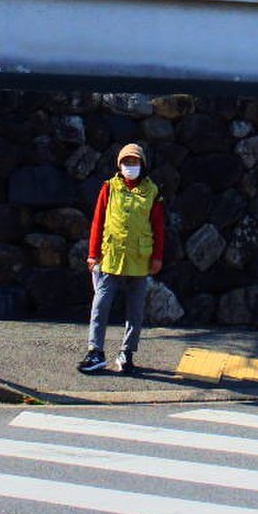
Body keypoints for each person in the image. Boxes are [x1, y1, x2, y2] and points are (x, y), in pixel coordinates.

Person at [79, 142, 165, 375]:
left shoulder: (152, 191)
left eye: (134, 161)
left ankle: (127, 352)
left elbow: (158, 226)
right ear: (119, 164)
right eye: (126, 162)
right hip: (111, 256)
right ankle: (95, 351)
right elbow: (98, 222)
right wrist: (92, 254)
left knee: (135, 309)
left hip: (139, 258)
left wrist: (157, 257)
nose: (130, 165)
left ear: (142, 164)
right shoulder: (109, 188)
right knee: (101, 304)